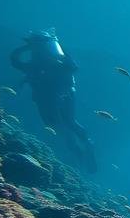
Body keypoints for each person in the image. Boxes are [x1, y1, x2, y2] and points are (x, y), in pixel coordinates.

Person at [10, 31, 96, 172]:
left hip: (59, 95)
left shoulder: (52, 59)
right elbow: (16, 63)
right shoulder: (42, 60)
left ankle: (84, 147)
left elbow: (16, 61)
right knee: (63, 124)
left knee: (66, 124)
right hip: (52, 96)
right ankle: (81, 149)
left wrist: (25, 48)